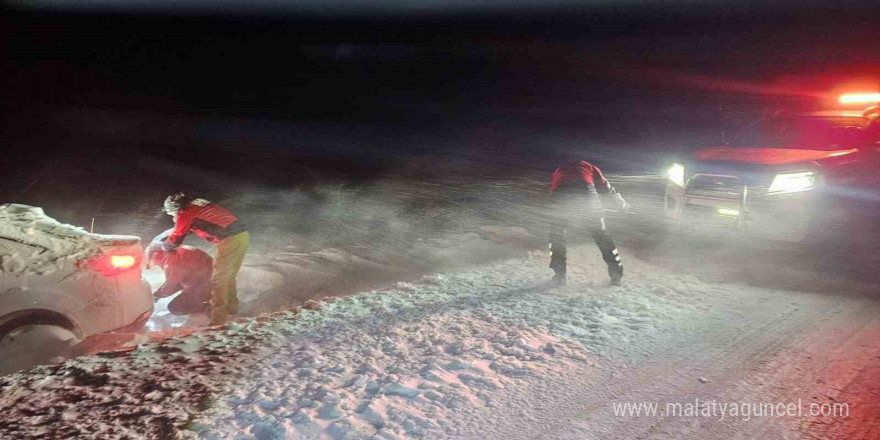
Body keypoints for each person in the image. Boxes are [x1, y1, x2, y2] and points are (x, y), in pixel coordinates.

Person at [156, 193, 249, 325]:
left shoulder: (186, 211)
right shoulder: (197, 205)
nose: (173, 217)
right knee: (229, 276)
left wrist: (165, 247)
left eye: (172, 214)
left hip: (230, 239)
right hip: (241, 236)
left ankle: (218, 320)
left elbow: (177, 237)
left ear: (175, 208)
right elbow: (197, 225)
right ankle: (231, 310)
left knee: (218, 280)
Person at [548, 160, 628, 286]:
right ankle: (616, 275)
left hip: (562, 197)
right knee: (602, 236)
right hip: (588, 196)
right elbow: (605, 187)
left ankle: (559, 276)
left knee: (556, 235)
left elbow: (553, 192)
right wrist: (621, 205)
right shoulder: (590, 167)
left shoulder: (558, 171)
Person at [146, 231, 213, 315]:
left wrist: (157, 295)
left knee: (175, 308)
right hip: (210, 281)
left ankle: (207, 308)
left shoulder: (170, 261)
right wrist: (158, 294)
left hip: (207, 287)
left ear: (156, 254)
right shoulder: (178, 251)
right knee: (183, 286)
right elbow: (175, 280)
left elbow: (172, 284)